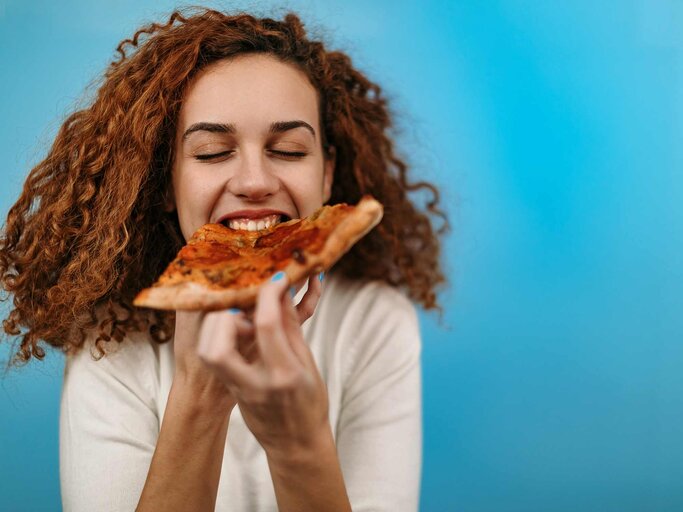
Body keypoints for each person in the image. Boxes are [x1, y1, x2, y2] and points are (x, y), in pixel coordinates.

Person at [0, 7, 447, 512]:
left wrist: (298, 443)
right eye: (212, 152)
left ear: (327, 177)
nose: (254, 182)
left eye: (290, 149)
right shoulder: (111, 337)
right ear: (166, 183)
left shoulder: (373, 320)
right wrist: (199, 396)